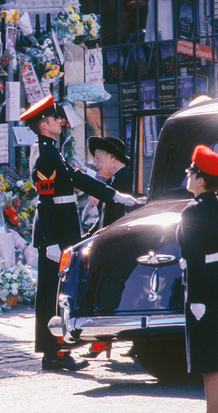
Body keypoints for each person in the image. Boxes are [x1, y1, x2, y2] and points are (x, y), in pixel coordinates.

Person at [19, 95, 137, 371]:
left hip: (63, 228)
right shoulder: (45, 156)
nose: (60, 122)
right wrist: (50, 241)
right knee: (51, 292)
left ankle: (60, 349)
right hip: (55, 231)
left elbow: (78, 177)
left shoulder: (53, 152)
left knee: (61, 290)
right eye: (54, 119)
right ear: (44, 125)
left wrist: (115, 196)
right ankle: (52, 352)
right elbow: (46, 201)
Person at [176, 145, 218, 413]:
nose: (187, 175)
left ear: (200, 180)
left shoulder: (192, 212)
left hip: (202, 284)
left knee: (210, 362)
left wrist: (195, 298)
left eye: (191, 172)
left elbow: (193, 258)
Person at [80, 136, 132, 359]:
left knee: (106, 294)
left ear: (113, 159)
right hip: (109, 243)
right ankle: (102, 342)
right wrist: (87, 236)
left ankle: (102, 342)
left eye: (99, 158)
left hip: (119, 246)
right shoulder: (114, 180)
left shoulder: (125, 179)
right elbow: (103, 218)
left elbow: (118, 217)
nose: (95, 163)